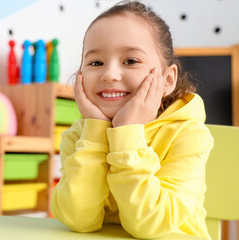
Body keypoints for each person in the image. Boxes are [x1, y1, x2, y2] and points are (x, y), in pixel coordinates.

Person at [51, 1, 214, 239]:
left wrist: (127, 132)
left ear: (168, 80)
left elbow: (150, 225)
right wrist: (96, 133)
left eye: (130, 61)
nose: (109, 75)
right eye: (96, 62)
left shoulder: (188, 135)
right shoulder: (79, 136)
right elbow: (78, 220)